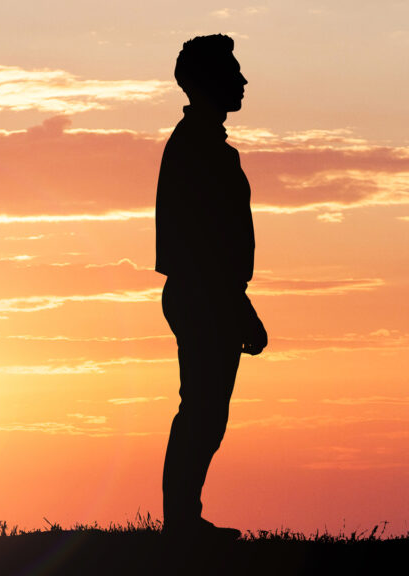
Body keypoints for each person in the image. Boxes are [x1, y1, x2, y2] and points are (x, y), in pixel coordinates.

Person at [155, 35, 267, 540]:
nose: (242, 81)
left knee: (206, 410)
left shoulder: (202, 145)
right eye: (232, 72)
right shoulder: (197, 148)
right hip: (204, 294)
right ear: (207, 82)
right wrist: (237, 306)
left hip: (209, 293)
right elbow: (204, 243)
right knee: (202, 410)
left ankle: (184, 518)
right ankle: (180, 523)